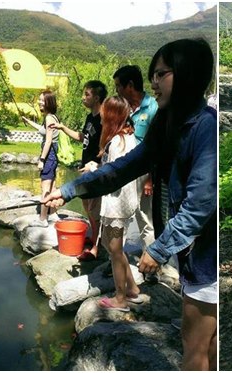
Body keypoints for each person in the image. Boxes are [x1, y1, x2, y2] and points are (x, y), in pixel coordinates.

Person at [44, 38, 217, 371]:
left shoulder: (204, 127)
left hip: (205, 256)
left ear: (188, 74)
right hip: (193, 255)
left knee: (193, 344)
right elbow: (121, 169)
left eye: (162, 73)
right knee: (208, 339)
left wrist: (158, 249)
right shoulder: (167, 123)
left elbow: (199, 205)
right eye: (153, 73)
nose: (152, 82)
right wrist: (68, 190)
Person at [81, 95, 143, 311]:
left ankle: (120, 298)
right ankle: (133, 289)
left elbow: (114, 177)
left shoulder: (118, 142)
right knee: (113, 247)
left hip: (117, 204)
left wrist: (94, 170)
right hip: (122, 203)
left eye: (105, 112)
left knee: (115, 251)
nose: (101, 117)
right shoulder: (125, 138)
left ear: (113, 115)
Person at [50, 80, 107, 261]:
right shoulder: (90, 117)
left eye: (87, 95)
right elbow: (83, 138)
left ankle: (97, 247)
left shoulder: (104, 118)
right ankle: (94, 237)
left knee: (95, 209)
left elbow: (106, 146)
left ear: (97, 97)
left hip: (95, 171)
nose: (83, 98)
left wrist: (97, 164)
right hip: (85, 170)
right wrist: (63, 128)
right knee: (87, 207)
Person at [113, 65, 158, 252]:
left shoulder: (153, 108)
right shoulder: (122, 109)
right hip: (124, 170)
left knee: (145, 219)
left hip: (143, 174)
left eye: (118, 86)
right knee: (119, 217)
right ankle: (115, 259)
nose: (116, 90)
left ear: (129, 85)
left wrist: (150, 178)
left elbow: (157, 148)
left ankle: (153, 262)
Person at [22, 90, 60, 227]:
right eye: (39, 100)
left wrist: (42, 159)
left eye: (42, 100)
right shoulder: (52, 117)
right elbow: (43, 130)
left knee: (45, 188)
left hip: (49, 155)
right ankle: (54, 214)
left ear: (49, 102)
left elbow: (48, 140)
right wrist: (28, 121)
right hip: (53, 156)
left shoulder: (49, 118)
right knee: (53, 186)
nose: (39, 102)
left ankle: (43, 219)